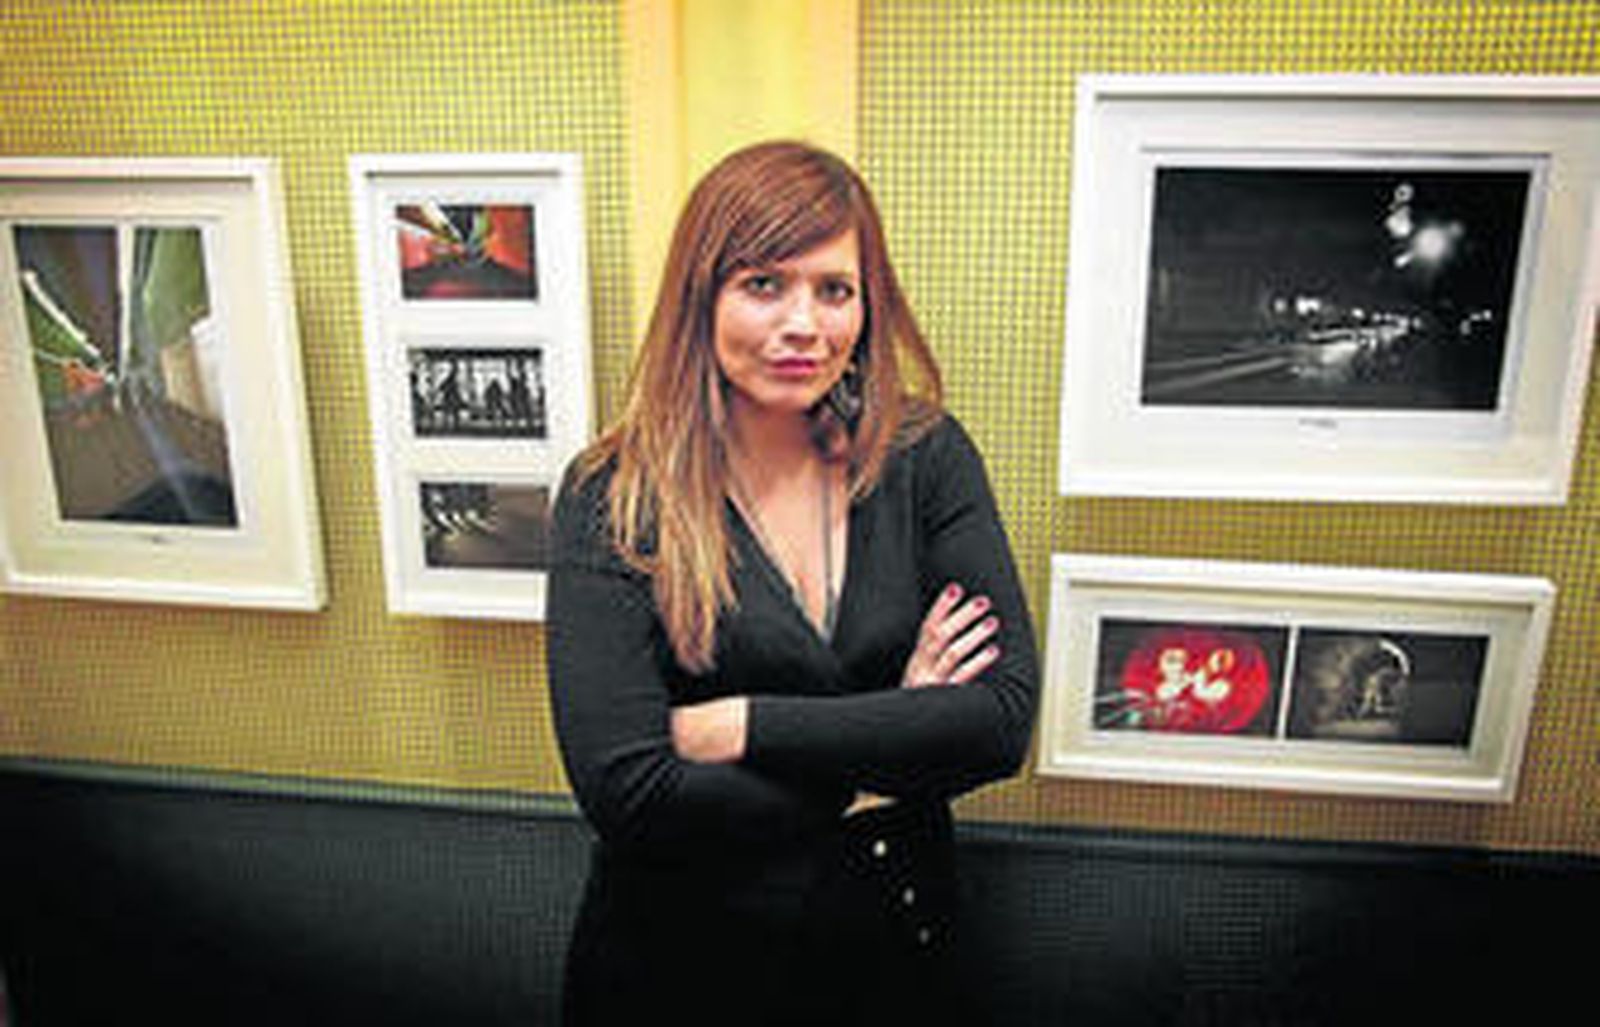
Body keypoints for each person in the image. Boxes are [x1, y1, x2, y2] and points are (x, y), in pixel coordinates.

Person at [546, 140, 1038, 1026]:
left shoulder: (926, 458)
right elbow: (632, 794)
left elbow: (999, 722)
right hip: (679, 974)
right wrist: (895, 742)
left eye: (834, 288)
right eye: (764, 284)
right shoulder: (612, 495)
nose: (805, 321)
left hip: (896, 950)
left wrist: (741, 724)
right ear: (702, 296)